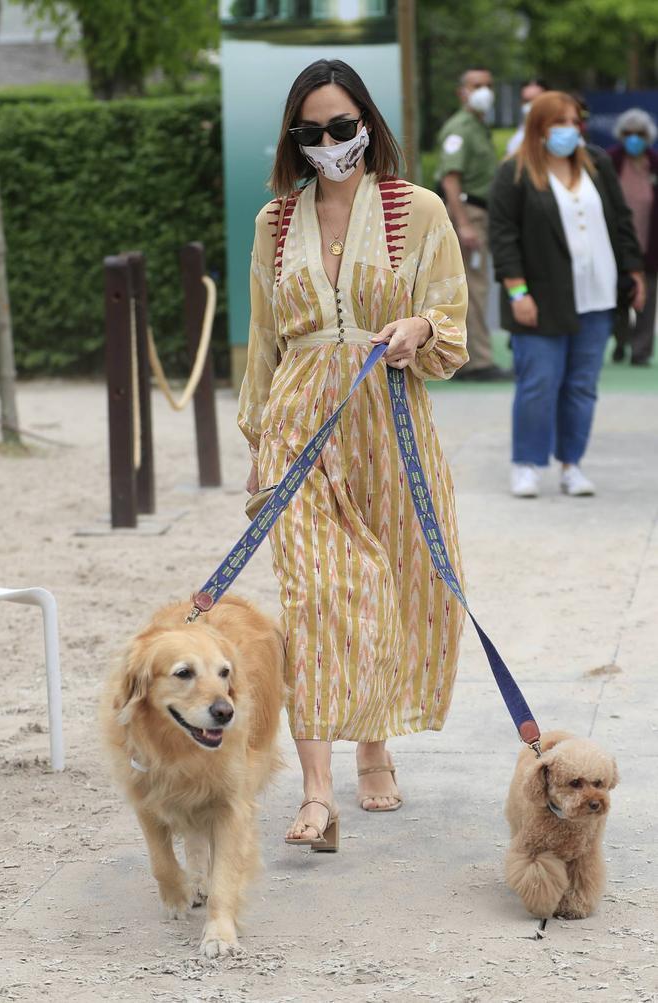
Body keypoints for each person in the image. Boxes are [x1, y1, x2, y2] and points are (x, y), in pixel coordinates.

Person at [238, 59, 468, 847]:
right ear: (295, 140)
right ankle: (315, 790)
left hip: (388, 419)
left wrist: (420, 329)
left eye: (342, 126)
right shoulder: (274, 222)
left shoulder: (419, 208)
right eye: (313, 132)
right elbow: (263, 341)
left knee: (394, 585)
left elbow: (450, 316)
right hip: (301, 425)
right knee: (315, 596)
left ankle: (376, 745)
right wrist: (256, 443)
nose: (331, 142)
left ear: (366, 122)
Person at [488, 91, 645, 499]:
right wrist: (517, 291)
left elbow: (621, 221)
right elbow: (503, 238)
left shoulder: (598, 164)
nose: (569, 131)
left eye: (574, 122)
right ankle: (526, 463)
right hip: (540, 298)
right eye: (559, 123)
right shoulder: (515, 172)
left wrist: (633, 270)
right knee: (538, 383)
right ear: (539, 128)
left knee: (581, 386)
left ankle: (571, 464)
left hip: (597, 296)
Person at [435, 67, 510, 381]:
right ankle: (478, 361)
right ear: (462, 92)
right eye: (477, 85)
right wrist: (463, 223)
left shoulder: (479, 127)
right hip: (469, 212)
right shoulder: (459, 129)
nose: (485, 91)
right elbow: (450, 179)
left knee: (473, 286)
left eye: (489, 85)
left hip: (482, 212)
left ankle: (466, 356)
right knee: (474, 287)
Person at [608, 108, 658, 366]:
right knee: (617, 301)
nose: (634, 138)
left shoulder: (655, 162)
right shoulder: (611, 161)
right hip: (616, 246)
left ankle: (641, 351)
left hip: (649, 246)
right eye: (629, 133)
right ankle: (620, 340)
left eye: (639, 134)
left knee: (647, 302)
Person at [506, 78, 549, 157]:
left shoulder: (558, 135)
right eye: (526, 101)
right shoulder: (517, 136)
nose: (530, 105)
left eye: (536, 100)